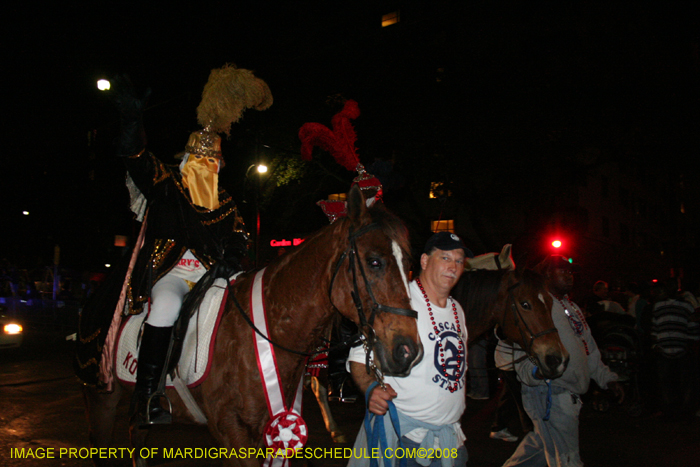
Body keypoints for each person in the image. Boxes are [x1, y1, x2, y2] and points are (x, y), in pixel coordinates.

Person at [74, 65, 272, 427]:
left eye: (214, 161)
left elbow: (239, 234)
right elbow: (135, 158)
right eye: (202, 159)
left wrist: (232, 255)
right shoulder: (166, 185)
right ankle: (148, 394)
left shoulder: (225, 201)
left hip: (215, 274)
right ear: (187, 161)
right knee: (165, 305)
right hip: (173, 272)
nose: (208, 165)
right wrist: (131, 121)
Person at [347, 232, 471, 467]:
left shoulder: (457, 309)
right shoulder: (398, 303)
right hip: (405, 440)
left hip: (449, 441)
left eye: (459, 260)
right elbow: (358, 358)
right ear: (424, 261)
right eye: (445, 258)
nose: (453, 267)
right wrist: (371, 388)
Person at [498, 255, 624, 467]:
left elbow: (589, 349)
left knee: (538, 451)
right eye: (563, 270)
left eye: (570, 271)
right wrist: (536, 373)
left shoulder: (571, 307)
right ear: (547, 274)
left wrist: (607, 378)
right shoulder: (536, 304)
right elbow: (514, 346)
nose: (569, 275)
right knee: (566, 459)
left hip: (569, 394)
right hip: (551, 394)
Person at [650, 279, 699, 417]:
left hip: (674, 349)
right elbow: (655, 328)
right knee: (674, 382)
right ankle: (675, 411)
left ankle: (678, 411)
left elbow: (655, 329)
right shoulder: (684, 306)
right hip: (674, 349)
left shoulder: (662, 306)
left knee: (673, 382)